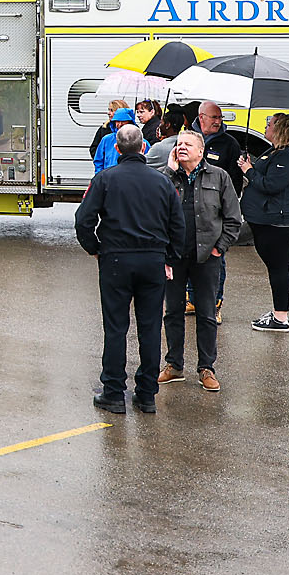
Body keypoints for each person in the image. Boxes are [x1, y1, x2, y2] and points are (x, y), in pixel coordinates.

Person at [74, 125, 185, 415]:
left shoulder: (105, 179)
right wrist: (169, 257)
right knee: (149, 328)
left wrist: (95, 248)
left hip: (115, 260)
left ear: (118, 149)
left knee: (116, 327)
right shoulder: (162, 183)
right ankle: (147, 393)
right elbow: (178, 225)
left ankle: (113, 391)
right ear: (144, 148)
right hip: (152, 260)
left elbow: (83, 219)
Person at [157, 131, 241, 392]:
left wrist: (219, 248)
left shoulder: (219, 176)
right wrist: (169, 172)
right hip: (174, 257)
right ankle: (174, 365)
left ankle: (207, 368)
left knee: (206, 314)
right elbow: (153, 206)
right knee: (172, 312)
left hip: (206, 257)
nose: (181, 148)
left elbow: (233, 219)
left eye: (187, 144)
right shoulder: (165, 177)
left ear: (201, 151)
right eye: (178, 144)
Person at [240, 113, 289, 333]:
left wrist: (248, 171)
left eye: (268, 124)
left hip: (280, 222)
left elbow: (270, 185)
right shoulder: (276, 152)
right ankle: (279, 313)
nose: (265, 127)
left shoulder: (287, 157)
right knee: (275, 267)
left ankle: (280, 318)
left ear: (278, 129)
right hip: (269, 220)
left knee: (279, 268)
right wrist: (250, 164)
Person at [196, 101, 245, 317]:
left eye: (220, 118)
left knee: (216, 257)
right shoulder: (189, 139)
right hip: (192, 209)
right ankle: (192, 299)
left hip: (216, 212)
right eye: (213, 117)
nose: (218, 121)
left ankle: (215, 303)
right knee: (191, 255)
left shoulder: (229, 144)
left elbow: (234, 182)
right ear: (201, 117)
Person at [93, 107, 142, 173]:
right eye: (117, 121)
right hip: (109, 178)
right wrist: (100, 176)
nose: (120, 124)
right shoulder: (106, 140)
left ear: (130, 122)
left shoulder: (140, 140)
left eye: (123, 121)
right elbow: (98, 161)